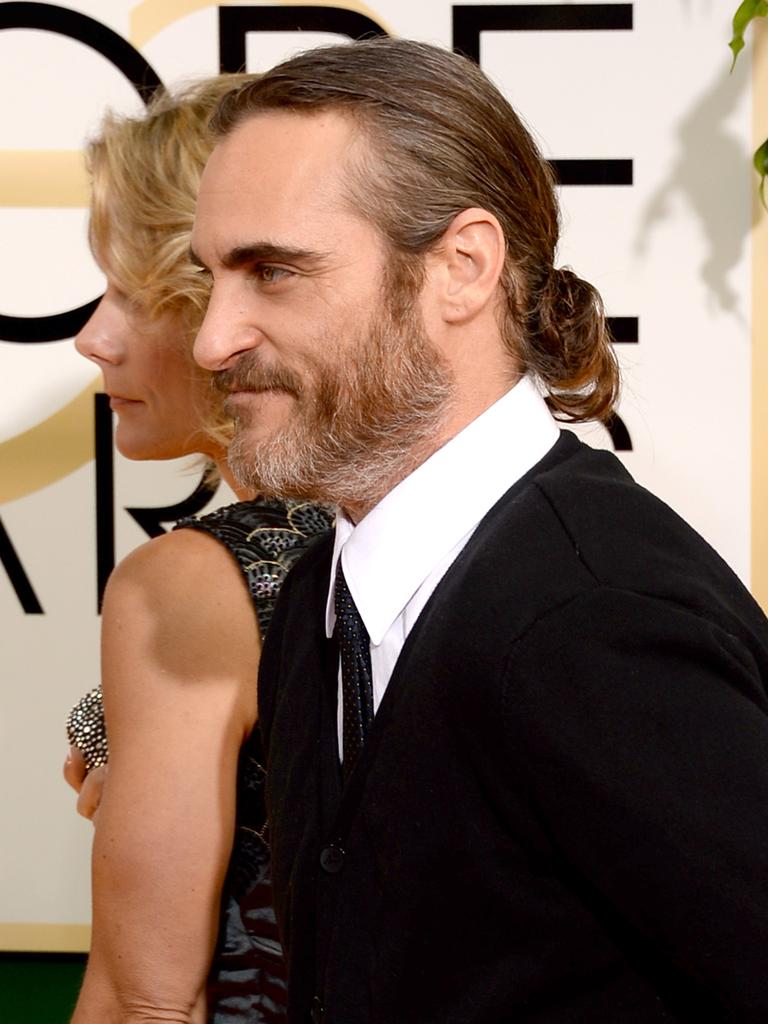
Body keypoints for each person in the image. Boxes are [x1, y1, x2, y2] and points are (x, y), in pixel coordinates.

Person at [190, 37, 768, 1022]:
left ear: (462, 267)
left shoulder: (598, 623)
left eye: (275, 272)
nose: (212, 338)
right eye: (213, 277)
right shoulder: (313, 604)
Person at [63, 77, 333, 1023]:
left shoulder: (187, 582)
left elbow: (144, 1000)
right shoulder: (409, 530)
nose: (94, 339)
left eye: (133, 294)